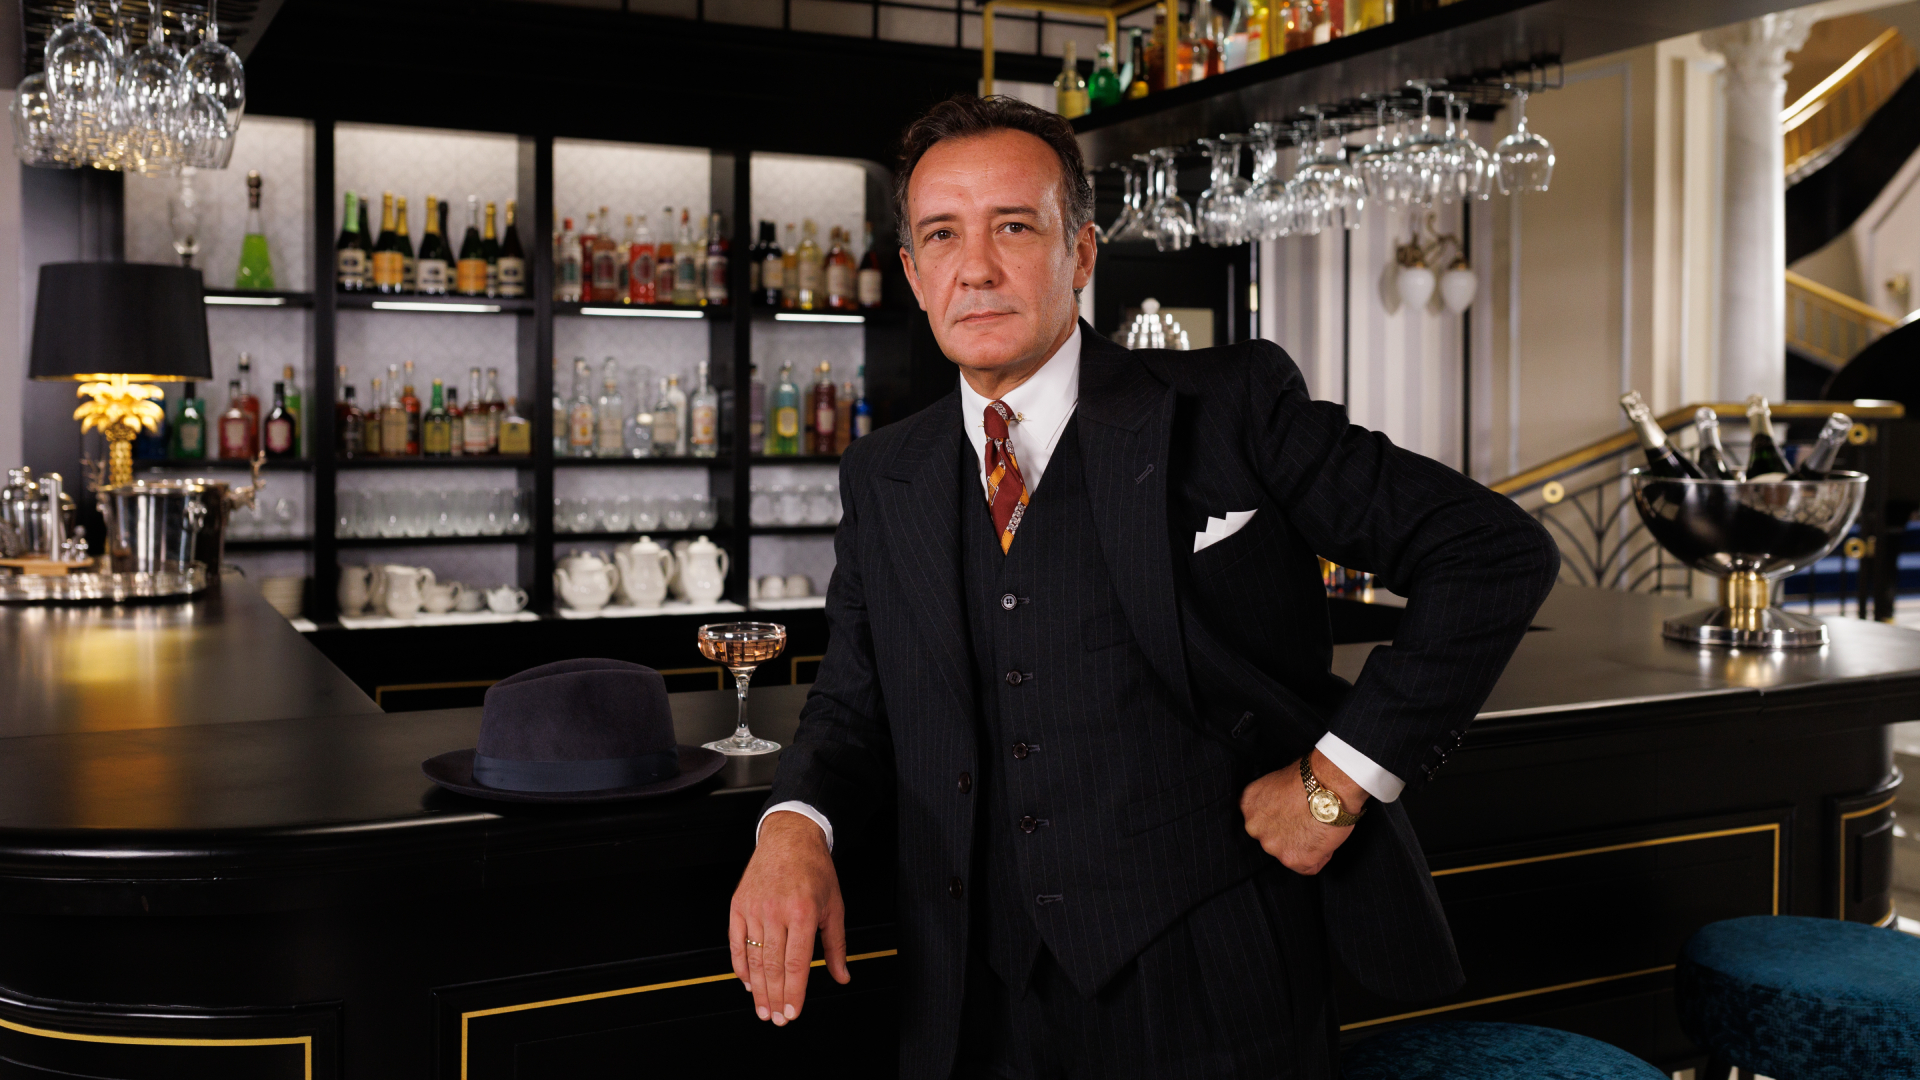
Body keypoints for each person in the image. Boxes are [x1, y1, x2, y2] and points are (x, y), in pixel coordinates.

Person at [728, 93, 1560, 1078]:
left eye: (1014, 227)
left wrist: (1336, 783)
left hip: (1213, 977)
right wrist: (792, 828)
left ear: (1080, 253)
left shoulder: (1231, 406)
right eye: (943, 234)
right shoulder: (883, 474)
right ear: (912, 273)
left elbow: (1491, 552)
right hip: (973, 994)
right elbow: (851, 704)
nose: (976, 267)